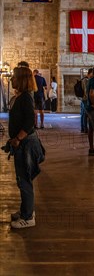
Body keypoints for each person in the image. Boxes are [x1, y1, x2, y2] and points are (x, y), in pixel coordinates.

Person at [7, 65, 45, 229]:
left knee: (24, 180)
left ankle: (28, 217)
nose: (11, 79)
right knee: (22, 179)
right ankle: (25, 210)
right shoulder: (22, 96)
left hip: (25, 144)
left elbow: (30, 121)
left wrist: (18, 138)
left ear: (21, 80)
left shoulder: (26, 98)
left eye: (14, 77)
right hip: (21, 143)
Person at [80, 68, 93, 133]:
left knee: (83, 114)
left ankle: (83, 128)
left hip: (84, 99)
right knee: (85, 114)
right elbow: (86, 91)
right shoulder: (85, 80)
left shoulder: (85, 79)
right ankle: (85, 129)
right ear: (90, 73)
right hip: (85, 99)